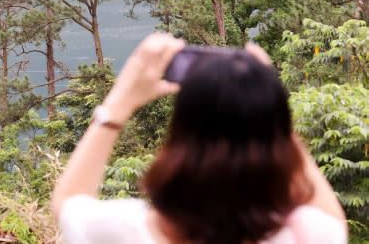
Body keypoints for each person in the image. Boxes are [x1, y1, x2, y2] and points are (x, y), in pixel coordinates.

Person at [52, 33, 348, 244]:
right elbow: (334, 221)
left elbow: (68, 201)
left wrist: (121, 100)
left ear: (178, 136)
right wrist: (264, 101)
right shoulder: (308, 235)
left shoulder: (122, 232)